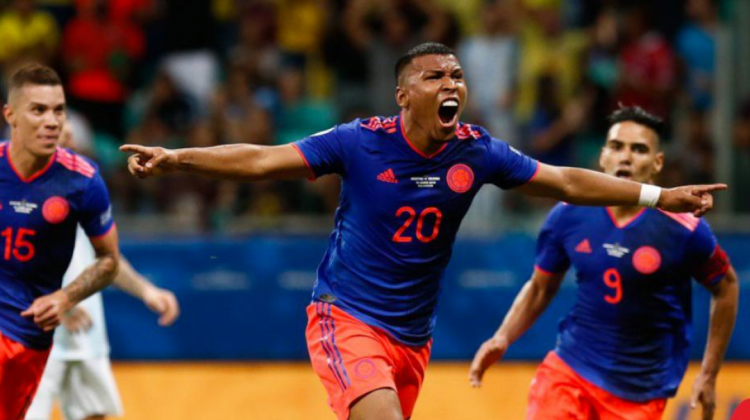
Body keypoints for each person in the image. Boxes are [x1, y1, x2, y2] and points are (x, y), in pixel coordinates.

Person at [120, 43, 726, 420]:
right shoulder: (358, 142)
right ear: (403, 94)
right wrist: (178, 158)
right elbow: (261, 160)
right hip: (346, 316)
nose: (452, 85)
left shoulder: (477, 152)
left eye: (457, 75)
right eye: (435, 77)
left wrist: (659, 196)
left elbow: (566, 181)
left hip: (413, 339)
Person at [469, 106, 738, 420]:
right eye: (616, 146)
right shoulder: (567, 214)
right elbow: (541, 288)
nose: (626, 157)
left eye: (639, 149)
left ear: (657, 163)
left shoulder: (684, 228)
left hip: (640, 392)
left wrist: (709, 372)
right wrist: (503, 336)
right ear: (602, 156)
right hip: (569, 371)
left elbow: (727, 287)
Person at [25, 122, 180, 420]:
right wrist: (60, 302)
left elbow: (106, 259)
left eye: (72, 138)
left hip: (86, 336)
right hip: (35, 337)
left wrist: (147, 291)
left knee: (94, 415)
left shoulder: (83, 192)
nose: (68, 142)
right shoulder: (19, 195)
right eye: (60, 137)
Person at [0, 63, 120, 420]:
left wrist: (65, 297)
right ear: (11, 115)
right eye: (38, 110)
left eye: (59, 110)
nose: (52, 121)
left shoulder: (82, 182)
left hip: (25, 335)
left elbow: (109, 261)